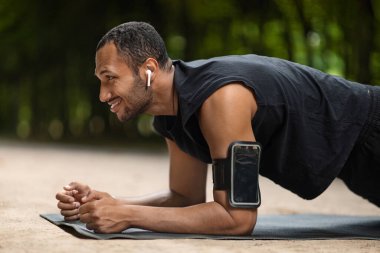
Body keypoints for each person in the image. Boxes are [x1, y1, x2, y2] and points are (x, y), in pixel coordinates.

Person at [56, 21, 380, 235]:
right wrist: (112, 203)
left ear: (149, 69)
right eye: (100, 82)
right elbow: (185, 197)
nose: (103, 95)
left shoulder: (221, 99)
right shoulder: (171, 114)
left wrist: (128, 217)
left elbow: (237, 218)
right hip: (359, 164)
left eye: (110, 78)